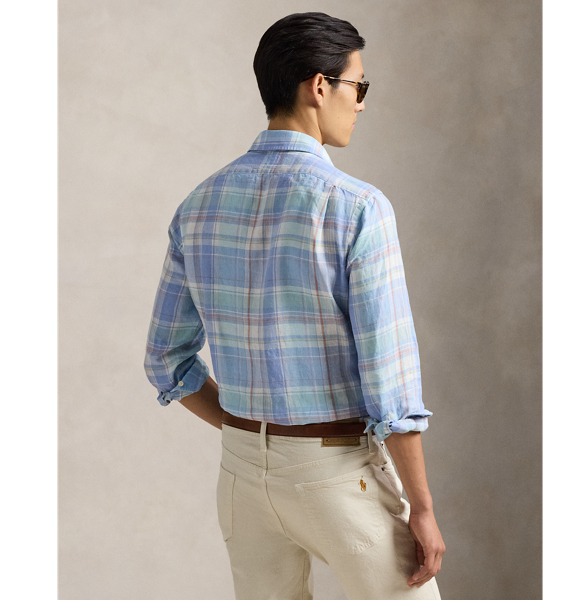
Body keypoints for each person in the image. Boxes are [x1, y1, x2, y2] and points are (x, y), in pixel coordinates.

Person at [144, 11, 445, 600]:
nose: (361, 103)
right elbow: (391, 382)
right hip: (337, 475)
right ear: (319, 86)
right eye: (358, 85)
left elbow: (165, 359)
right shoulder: (357, 207)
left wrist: (253, 434)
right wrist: (424, 508)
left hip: (241, 477)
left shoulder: (199, 205)